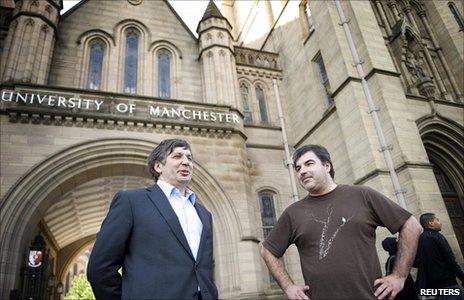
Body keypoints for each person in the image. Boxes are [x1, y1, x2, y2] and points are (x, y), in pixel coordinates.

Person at [260, 144, 422, 300]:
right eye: (298, 168)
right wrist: (288, 286)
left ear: (326, 166)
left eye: (309, 164)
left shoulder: (363, 195)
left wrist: (399, 276)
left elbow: (411, 225)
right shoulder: (293, 213)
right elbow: (267, 250)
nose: (302, 171)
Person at [87, 138, 218, 300]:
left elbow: (204, 268)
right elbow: (100, 268)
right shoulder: (131, 202)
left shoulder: (204, 214)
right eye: (177, 156)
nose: (186, 162)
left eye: (189, 158)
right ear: (158, 166)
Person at [416, 213, 464, 299]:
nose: (440, 222)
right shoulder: (437, 236)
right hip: (448, 285)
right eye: (437, 220)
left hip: (432, 288)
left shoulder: (420, 239)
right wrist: (462, 277)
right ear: (431, 223)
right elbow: (450, 260)